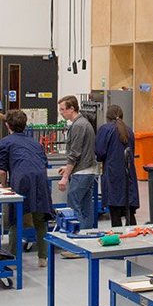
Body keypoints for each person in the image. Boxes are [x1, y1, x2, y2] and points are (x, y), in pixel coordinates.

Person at [0, 110, 53, 268]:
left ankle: (14, 259)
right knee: (40, 219)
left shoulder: (6, 142)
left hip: (21, 180)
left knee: (17, 219)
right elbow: (43, 163)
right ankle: (43, 258)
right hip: (41, 179)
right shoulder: (35, 142)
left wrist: (4, 186)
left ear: (7, 125)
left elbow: (2, 170)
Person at [95, 104, 139, 227]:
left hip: (113, 175)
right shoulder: (129, 130)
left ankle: (119, 242)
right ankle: (134, 241)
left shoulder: (105, 130)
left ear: (107, 117)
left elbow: (100, 152)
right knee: (130, 213)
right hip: (128, 175)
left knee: (115, 215)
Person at [57, 95, 97, 229]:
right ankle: (87, 235)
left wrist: (65, 176)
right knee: (86, 207)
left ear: (72, 108)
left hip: (82, 172)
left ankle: (78, 237)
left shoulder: (79, 125)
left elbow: (74, 154)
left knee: (73, 206)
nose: (61, 112)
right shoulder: (82, 123)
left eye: (62, 110)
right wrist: (67, 168)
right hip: (87, 170)